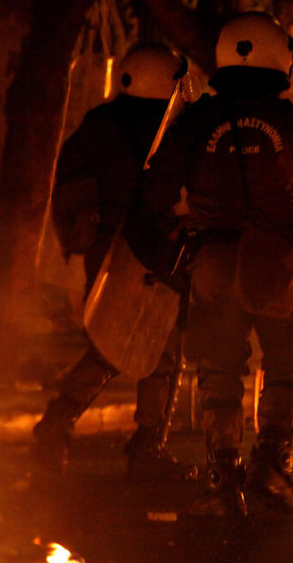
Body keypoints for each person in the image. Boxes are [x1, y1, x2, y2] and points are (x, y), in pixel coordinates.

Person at [138, 11, 293, 516]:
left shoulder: (196, 120)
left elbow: (155, 189)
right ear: (278, 58)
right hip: (279, 264)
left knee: (218, 370)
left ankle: (224, 480)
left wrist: (168, 229)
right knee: (292, 362)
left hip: (213, 263)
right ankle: (271, 468)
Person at [31, 43, 197, 481]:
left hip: (105, 249)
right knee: (160, 350)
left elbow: (70, 183)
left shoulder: (98, 123)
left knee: (110, 343)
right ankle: (146, 446)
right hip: (154, 248)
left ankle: (59, 422)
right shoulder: (170, 127)